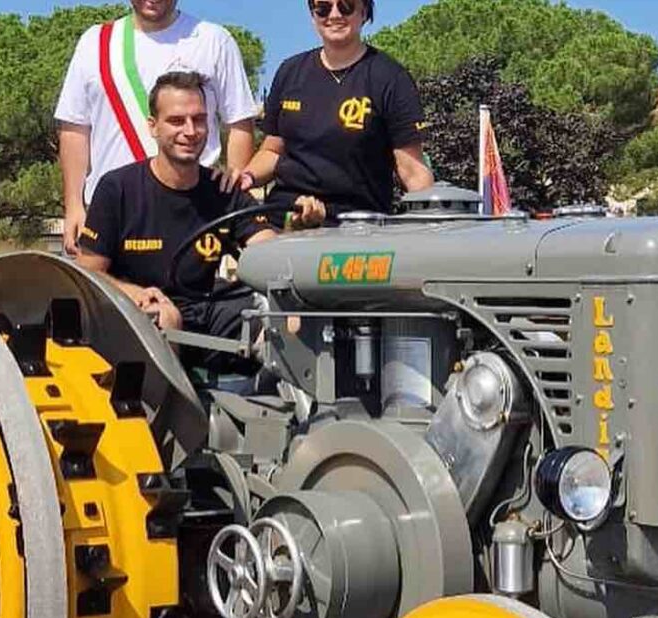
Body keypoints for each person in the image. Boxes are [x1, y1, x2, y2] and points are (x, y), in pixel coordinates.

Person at [76, 71, 324, 373]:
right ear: (153, 127)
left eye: (199, 119)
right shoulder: (119, 188)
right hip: (143, 314)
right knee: (165, 317)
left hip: (210, 311)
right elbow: (87, 272)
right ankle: (168, 418)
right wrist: (135, 294)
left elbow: (267, 253)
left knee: (293, 318)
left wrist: (297, 229)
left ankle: (298, 415)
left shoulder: (223, 189)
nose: (190, 131)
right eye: (177, 121)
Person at [56, 0, 259, 256]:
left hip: (191, 212)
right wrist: (74, 206)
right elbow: (75, 127)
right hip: (111, 213)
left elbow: (240, 121)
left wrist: (232, 197)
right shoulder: (95, 41)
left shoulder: (213, 40)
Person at [236, 0, 435, 220]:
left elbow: (413, 170)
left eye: (346, 6)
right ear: (312, 14)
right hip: (287, 218)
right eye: (323, 8)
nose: (334, 15)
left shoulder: (390, 78)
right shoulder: (289, 72)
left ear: (364, 11)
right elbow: (272, 151)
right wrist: (248, 176)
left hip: (359, 227)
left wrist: (436, 222)